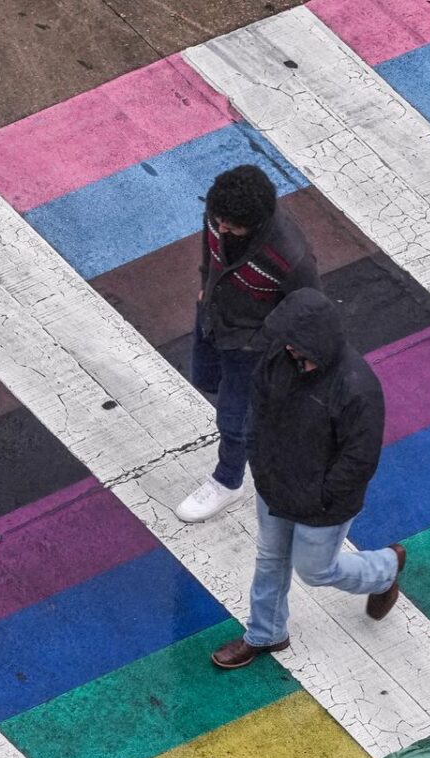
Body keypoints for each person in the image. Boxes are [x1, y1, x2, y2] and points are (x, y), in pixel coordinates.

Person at [211, 289, 403, 670]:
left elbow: (359, 458)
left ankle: (384, 571)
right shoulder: (281, 358)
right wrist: (259, 459)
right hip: (274, 484)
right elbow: (258, 409)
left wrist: (320, 496)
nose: (291, 352)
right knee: (269, 560)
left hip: (321, 504)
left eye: (298, 347)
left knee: (317, 571)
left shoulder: (356, 388)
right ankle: (265, 634)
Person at [175, 164, 319, 524]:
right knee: (206, 380)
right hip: (211, 318)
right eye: (217, 219)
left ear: (255, 221)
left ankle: (228, 480)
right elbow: (209, 253)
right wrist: (205, 285)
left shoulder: (290, 258)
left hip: (251, 346)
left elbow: (308, 311)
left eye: (230, 225)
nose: (220, 228)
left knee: (233, 420)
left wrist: (264, 343)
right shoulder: (217, 215)